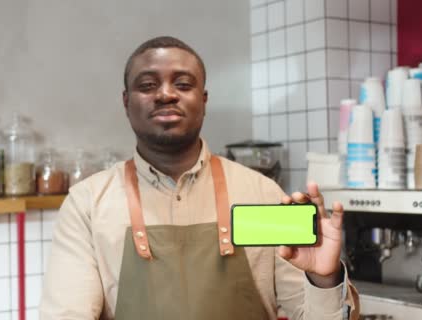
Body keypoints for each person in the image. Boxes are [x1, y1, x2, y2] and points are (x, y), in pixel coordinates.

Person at [40, 36, 359, 320]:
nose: (165, 94)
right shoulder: (88, 204)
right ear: (127, 102)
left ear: (203, 100)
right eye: (148, 85)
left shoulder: (260, 192)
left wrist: (324, 278)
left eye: (182, 84)